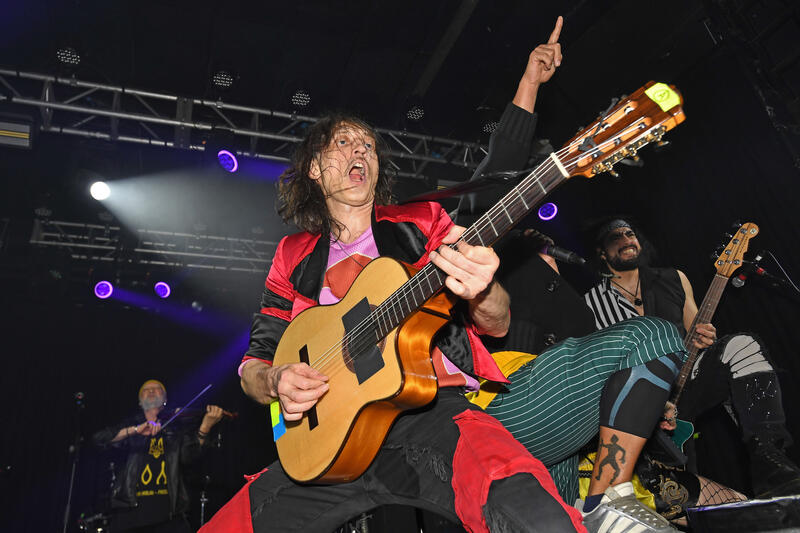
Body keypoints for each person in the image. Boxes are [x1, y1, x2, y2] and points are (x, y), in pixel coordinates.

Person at [200, 20, 585, 533]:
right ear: (314, 169)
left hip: (430, 416)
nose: (360, 151)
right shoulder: (293, 254)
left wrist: (484, 290)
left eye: (368, 146)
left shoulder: (421, 223)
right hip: (325, 446)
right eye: (343, 143)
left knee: (536, 516)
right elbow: (255, 360)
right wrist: (274, 380)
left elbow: (495, 321)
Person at [455, 20, 687, 532]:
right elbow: (501, 168)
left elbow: (598, 352)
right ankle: (608, 499)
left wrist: (642, 392)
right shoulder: (473, 243)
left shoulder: (577, 269)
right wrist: (531, 83)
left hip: (562, 420)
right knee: (656, 334)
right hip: (501, 398)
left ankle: (601, 506)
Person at [583, 218, 800, 513]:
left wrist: (705, 337)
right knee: (689, 498)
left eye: (630, 232)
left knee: (741, 345)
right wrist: (651, 404)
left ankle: (777, 472)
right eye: (615, 236)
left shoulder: (673, 278)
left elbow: (697, 329)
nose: (626, 238)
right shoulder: (591, 303)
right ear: (602, 253)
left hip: (688, 377)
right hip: (640, 406)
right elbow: (604, 371)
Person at [92, 379, 225, 532]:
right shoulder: (130, 426)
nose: (151, 391)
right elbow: (99, 440)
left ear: (165, 400)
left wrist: (205, 427)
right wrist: (136, 430)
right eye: (146, 389)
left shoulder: (177, 428)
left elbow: (189, 458)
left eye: (157, 388)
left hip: (169, 516)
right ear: (140, 402)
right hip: (130, 516)